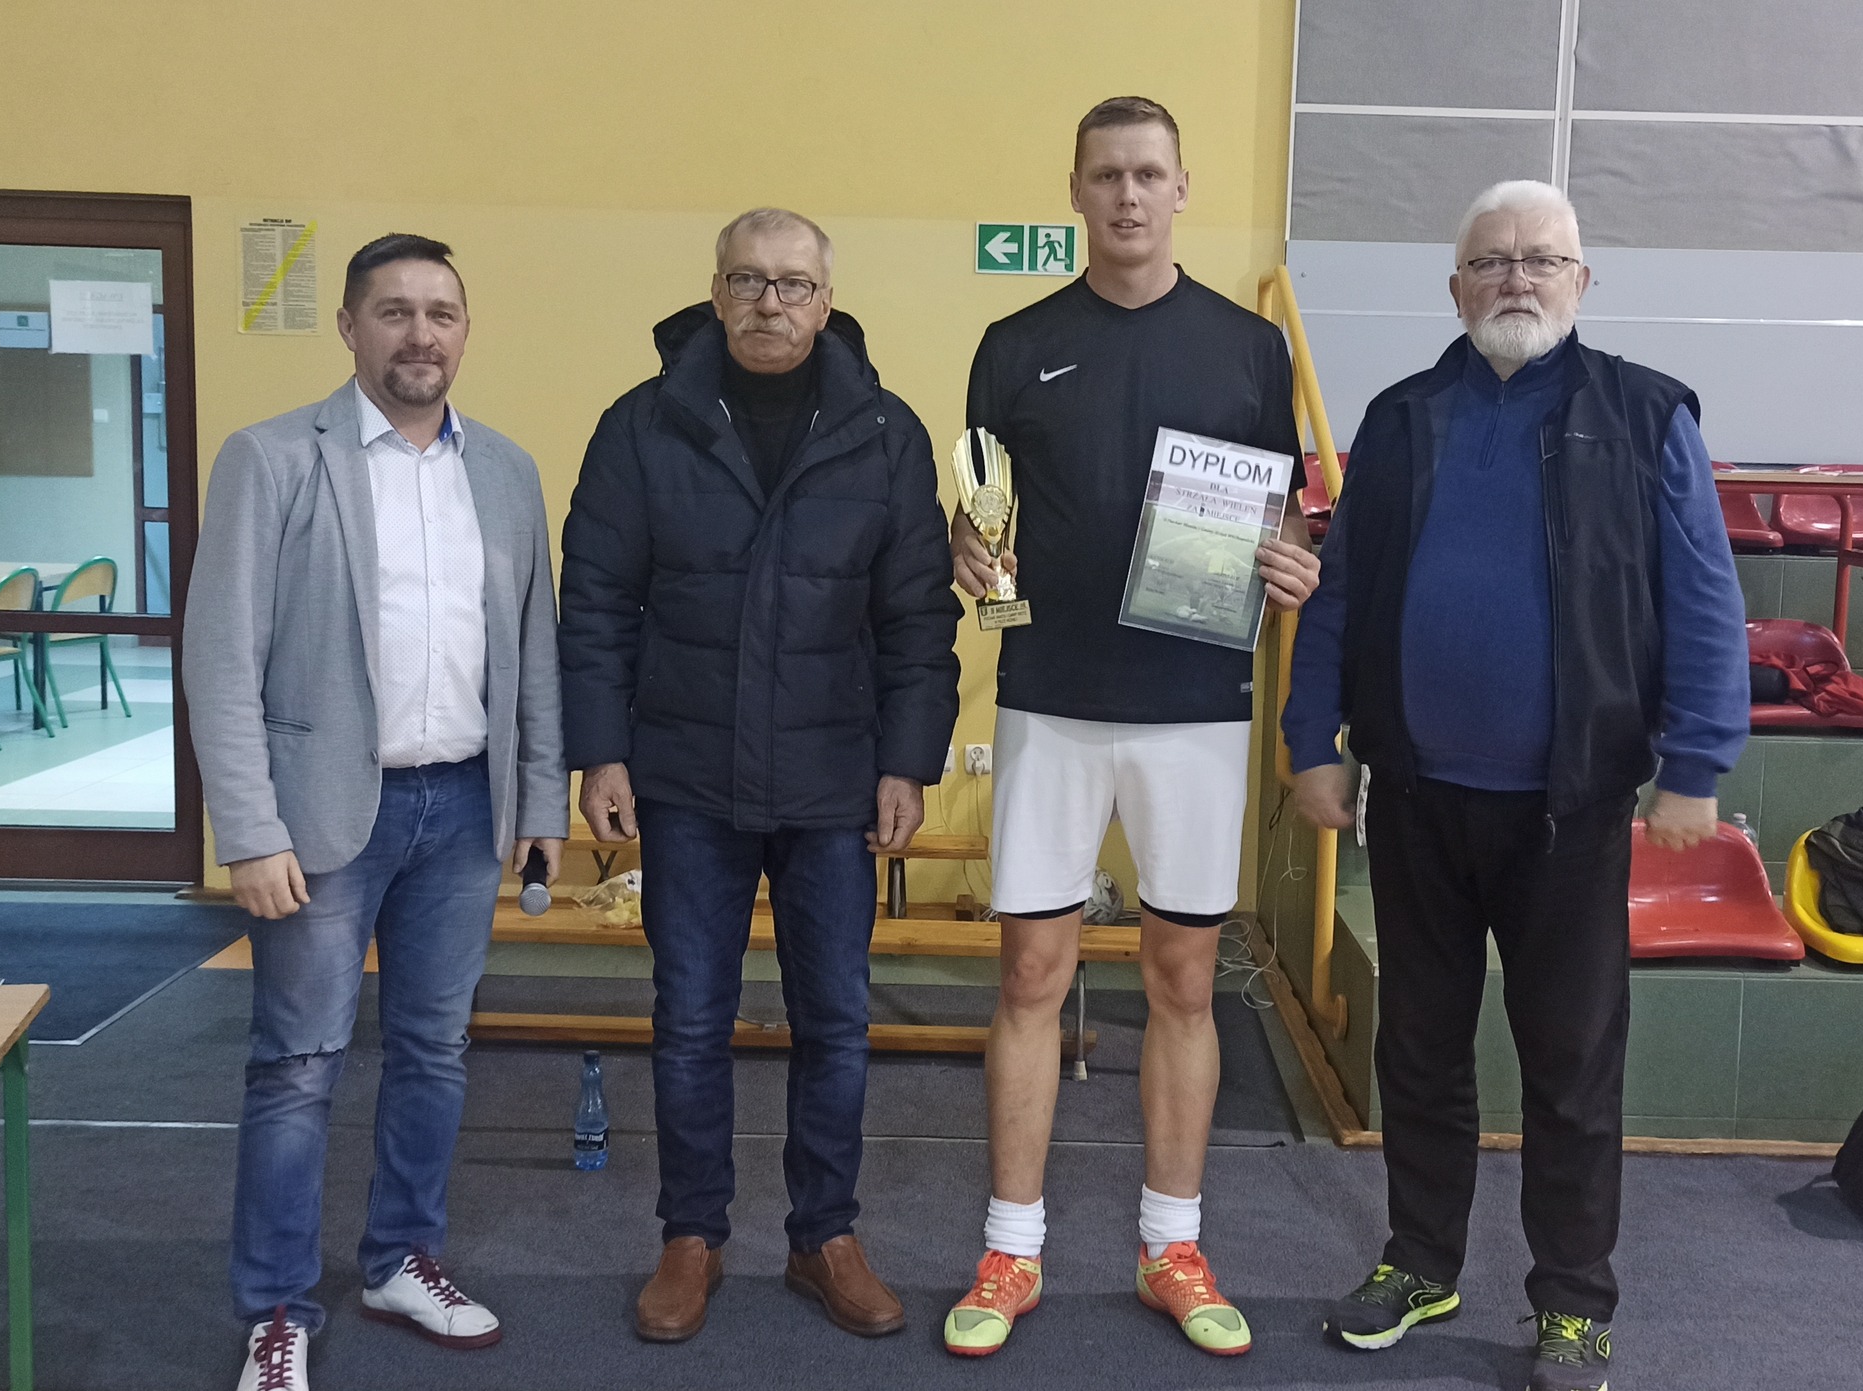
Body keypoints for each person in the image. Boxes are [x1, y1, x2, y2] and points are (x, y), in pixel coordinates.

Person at [1282, 180, 1751, 1391]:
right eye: (1490, 261)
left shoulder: (1644, 415)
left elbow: (1703, 597)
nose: (1515, 279)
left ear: (1580, 282)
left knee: (1569, 1064)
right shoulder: (1399, 418)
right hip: (1414, 795)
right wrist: (1308, 739)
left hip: (1569, 810)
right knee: (1417, 1051)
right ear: (1455, 288)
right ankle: (1419, 1259)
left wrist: (1695, 761)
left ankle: (1573, 1302)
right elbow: (1339, 595)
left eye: (1540, 259)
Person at [940, 96, 1319, 1360]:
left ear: (1180, 188)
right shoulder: (1012, 343)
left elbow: (1283, 513)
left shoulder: (1248, 348)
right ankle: (1010, 1246)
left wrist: (1292, 561)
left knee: (1182, 979)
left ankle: (1171, 1243)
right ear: (1075, 190)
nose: (1127, 195)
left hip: (1194, 708)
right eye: (1105, 175)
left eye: (1148, 173)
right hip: (1047, 699)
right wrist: (966, 551)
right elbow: (980, 510)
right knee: (1028, 976)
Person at [560, 208, 960, 1344]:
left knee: (834, 1019)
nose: (768, 302)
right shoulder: (642, 425)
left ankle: (823, 1233)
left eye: (791, 284)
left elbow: (915, 616)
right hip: (685, 773)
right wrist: (600, 748)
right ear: (715, 292)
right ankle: (691, 1235)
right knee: (690, 1017)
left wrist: (907, 761)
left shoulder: (884, 432)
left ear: (826, 302)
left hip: (835, 779)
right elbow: (594, 600)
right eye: (746, 280)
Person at [187, 234, 566, 1391]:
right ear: (348, 326)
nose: (420, 333)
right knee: (298, 1065)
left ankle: (402, 1258)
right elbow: (220, 657)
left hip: (462, 809)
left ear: (465, 329)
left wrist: (539, 797)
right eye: (394, 311)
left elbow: (532, 650)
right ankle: (276, 1307)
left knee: (433, 1051)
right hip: (318, 818)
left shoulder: (504, 470)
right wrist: (250, 828)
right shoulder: (270, 458)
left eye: (441, 312)